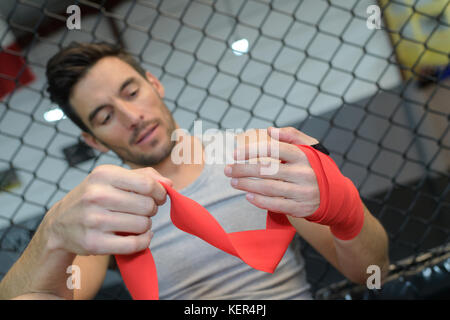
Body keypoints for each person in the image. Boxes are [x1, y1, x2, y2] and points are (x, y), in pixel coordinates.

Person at [0, 42, 389, 300]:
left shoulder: (252, 156)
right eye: (105, 116)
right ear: (94, 142)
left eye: (132, 92)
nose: (132, 117)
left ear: (155, 84)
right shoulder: (111, 210)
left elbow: (372, 273)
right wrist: (51, 235)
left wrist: (346, 211)